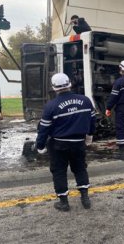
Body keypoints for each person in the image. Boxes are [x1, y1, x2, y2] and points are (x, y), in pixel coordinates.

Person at [34, 73, 96, 212]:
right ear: (70, 84)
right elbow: (92, 121)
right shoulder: (85, 101)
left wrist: (40, 145)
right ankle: (85, 198)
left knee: (59, 172)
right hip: (79, 143)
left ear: (54, 88)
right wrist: (90, 135)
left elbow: (44, 129)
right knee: (80, 168)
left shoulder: (51, 106)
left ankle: (64, 203)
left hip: (58, 145)